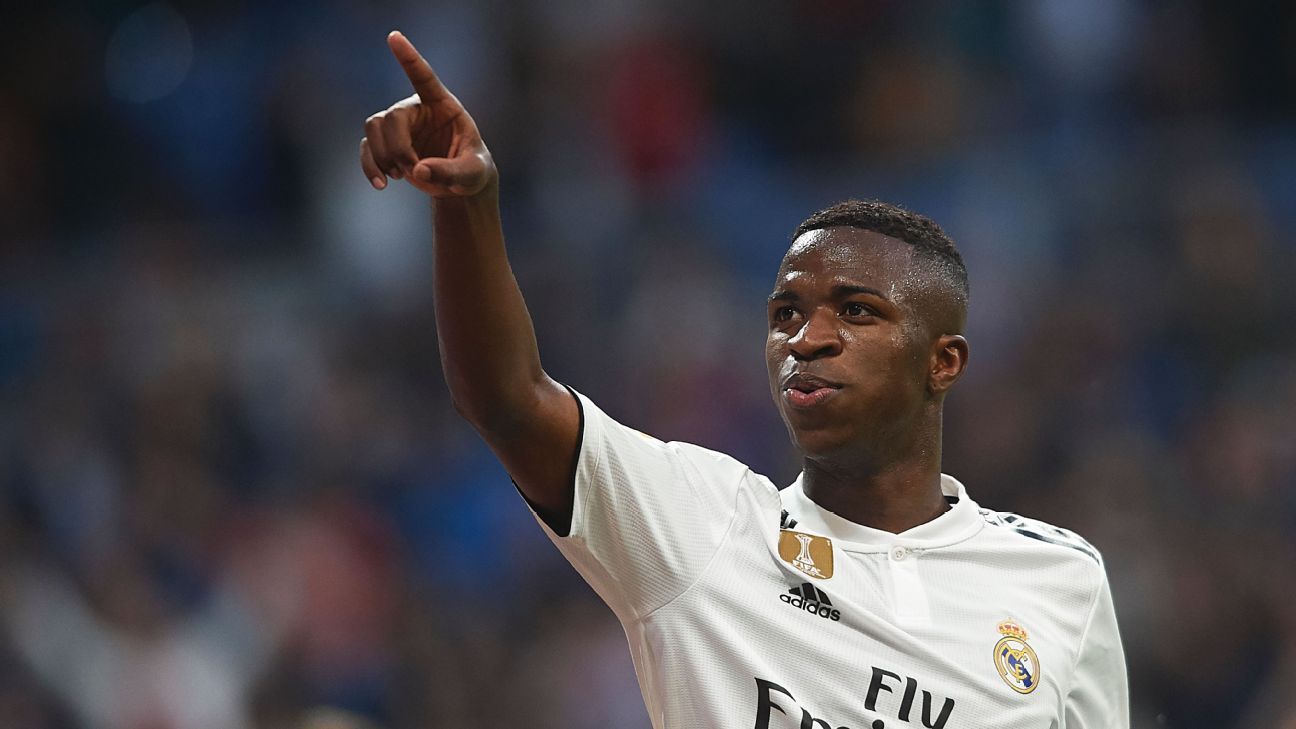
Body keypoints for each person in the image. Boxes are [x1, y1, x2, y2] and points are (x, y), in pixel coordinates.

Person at [361, 30, 1129, 729]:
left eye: (855, 311)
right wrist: (467, 204)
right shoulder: (705, 526)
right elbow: (507, 398)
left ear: (943, 361)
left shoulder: (1061, 579)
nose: (807, 338)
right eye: (786, 313)